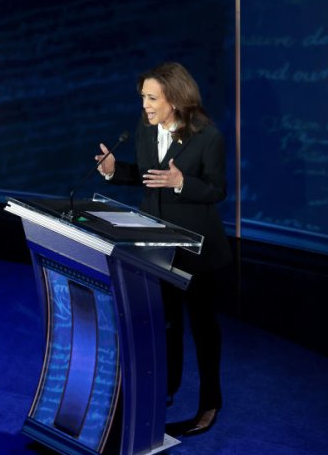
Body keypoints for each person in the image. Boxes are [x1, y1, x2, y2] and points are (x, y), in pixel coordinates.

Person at [95, 62, 231, 437]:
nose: (146, 106)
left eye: (152, 98)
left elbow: (218, 190)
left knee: (203, 328)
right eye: (143, 98)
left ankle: (210, 403)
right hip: (156, 244)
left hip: (198, 250)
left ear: (175, 98)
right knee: (166, 322)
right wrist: (113, 171)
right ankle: (166, 389)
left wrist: (182, 182)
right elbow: (146, 174)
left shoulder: (208, 137)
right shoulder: (145, 127)